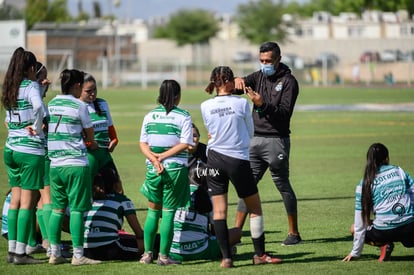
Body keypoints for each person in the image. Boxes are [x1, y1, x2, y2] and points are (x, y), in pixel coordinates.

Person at [201, 66, 282, 268]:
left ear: (214, 83)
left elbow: (210, 131)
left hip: (214, 160)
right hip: (237, 159)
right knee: (255, 208)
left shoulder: (205, 105)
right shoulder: (241, 103)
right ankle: (259, 255)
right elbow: (250, 131)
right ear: (229, 82)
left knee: (219, 212)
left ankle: (226, 258)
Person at [233, 41, 301, 246]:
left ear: (278, 59)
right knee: (247, 186)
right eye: (261, 60)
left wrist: (262, 104)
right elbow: (239, 86)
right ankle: (236, 233)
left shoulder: (289, 82)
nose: (264, 64)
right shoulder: (258, 76)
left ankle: (294, 234)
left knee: (282, 184)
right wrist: (234, 79)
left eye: (268, 61)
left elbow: (284, 113)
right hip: (253, 140)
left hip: (276, 140)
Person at [47, 68, 100, 265]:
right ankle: (78, 255)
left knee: (57, 210)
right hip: (75, 163)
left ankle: (55, 253)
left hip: (55, 165)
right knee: (77, 210)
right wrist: (92, 143)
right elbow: (90, 136)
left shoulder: (51, 104)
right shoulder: (79, 105)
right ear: (77, 86)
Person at [139, 79, 193, 265]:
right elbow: (185, 143)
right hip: (175, 169)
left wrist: (155, 159)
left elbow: (143, 144)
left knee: (152, 211)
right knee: (169, 212)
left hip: (153, 169)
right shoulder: (183, 116)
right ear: (178, 96)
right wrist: (162, 157)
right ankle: (164, 256)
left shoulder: (150, 115)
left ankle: (147, 254)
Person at [1, 47, 45, 264]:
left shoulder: (9, 86)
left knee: (15, 201)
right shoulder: (31, 86)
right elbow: (38, 108)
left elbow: (8, 120)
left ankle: (11, 251)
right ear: (30, 68)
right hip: (29, 150)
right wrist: (37, 126)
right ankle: (20, 253)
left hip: (10, 148)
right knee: (28, 203)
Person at [343, 143, 414, 262]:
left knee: (353, 228)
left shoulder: (364, 183)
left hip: (383, 232)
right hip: (410, 228)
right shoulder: (399, 171)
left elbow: (360, 222)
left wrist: (355, 252)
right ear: (386, 158)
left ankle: (384, 244)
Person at [169, 162, 241, 261]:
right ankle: (224, 251)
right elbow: (217, 230)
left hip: (173, 251)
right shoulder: (209, 198)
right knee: (237, 232)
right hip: (202, 251)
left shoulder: (177, 194)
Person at [83, 166, 144, 261]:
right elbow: (139, 233)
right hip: (109, 249)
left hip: (85, 251)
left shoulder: (87, 200)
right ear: (115, 183)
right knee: (152, 241)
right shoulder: (121, 200)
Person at [79, 73, 122, 193]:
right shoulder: (77, 107)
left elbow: (110, 128)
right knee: (89, 192)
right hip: (88, 156)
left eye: (94, 89)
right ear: (79, 90)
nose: (93, 93)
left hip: (104, 155)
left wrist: (114, 140)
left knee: (117, 190)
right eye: (88, 91)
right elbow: (73, 135)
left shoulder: (103, 104)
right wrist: (88, 143)